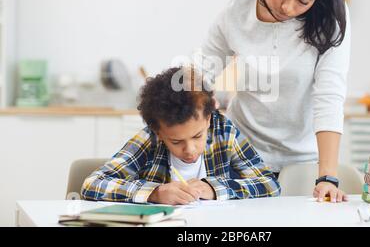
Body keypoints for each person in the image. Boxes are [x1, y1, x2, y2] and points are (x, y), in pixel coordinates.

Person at [198, 0, 351, 202]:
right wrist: (195, 95)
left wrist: (327, 176)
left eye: (303, 1)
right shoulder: (236, 12)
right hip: (239, 155)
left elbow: (329, 95)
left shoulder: (332, 21)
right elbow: (201, 70)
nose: (287, 7)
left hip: (301, 162)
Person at [81, 66, 280, 205]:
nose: (189, 150)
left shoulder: (223, 131)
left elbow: (269, 184)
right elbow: (93, 184)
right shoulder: (150, 139)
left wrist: (213, 188)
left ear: (209, 119)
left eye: (197, 136)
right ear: (159, 132)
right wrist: (155, 193)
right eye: (176, 141)